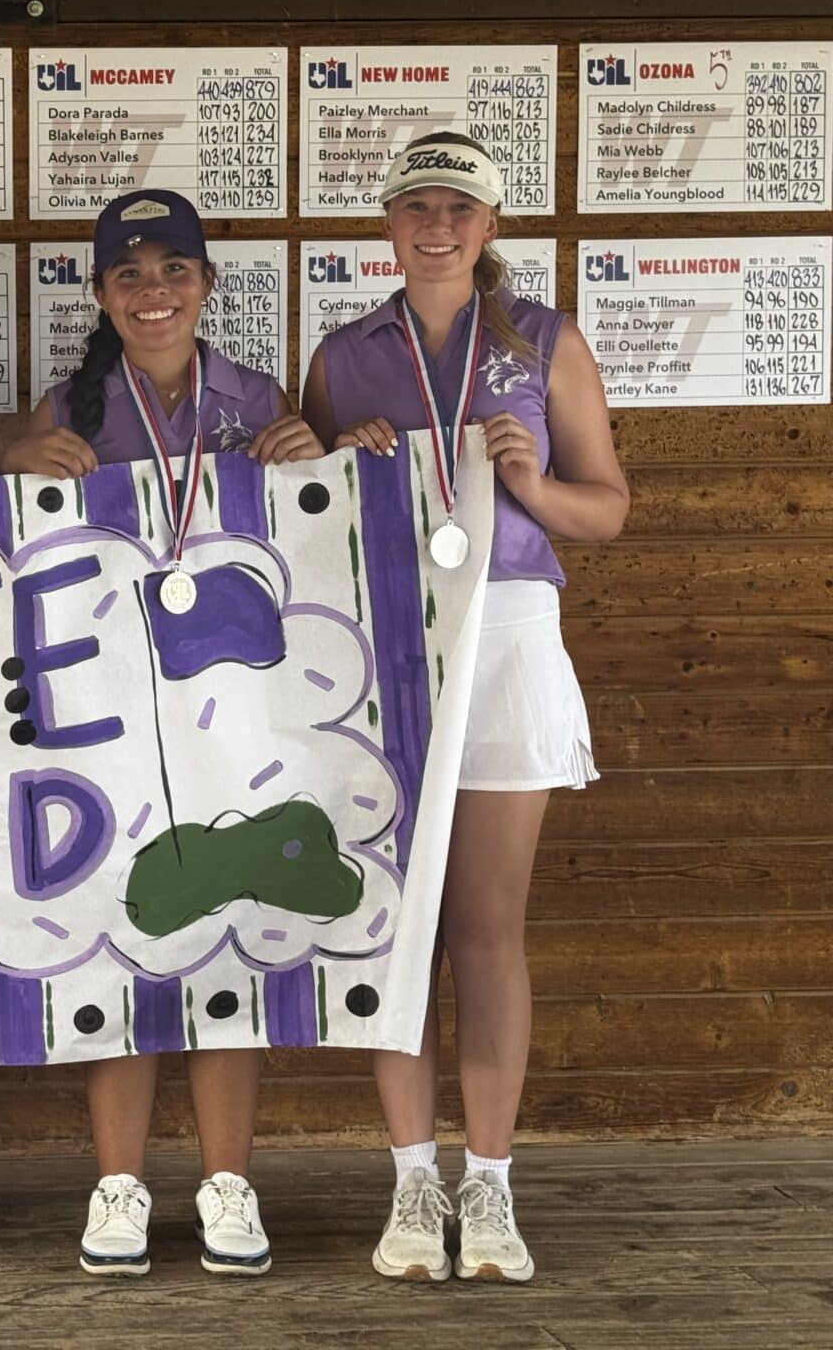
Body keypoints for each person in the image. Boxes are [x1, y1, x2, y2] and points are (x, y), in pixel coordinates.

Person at [302, 133, 628, 1284]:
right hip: (387, 647)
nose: (433, 224)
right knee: (395, 929)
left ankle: (486, 1187)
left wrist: (533, 487)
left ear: (489, 228)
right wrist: (339, 463)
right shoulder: (343, 355)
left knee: (486, 936)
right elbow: (306, 522)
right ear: (386, 223)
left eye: (457, 207)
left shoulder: (542, 340)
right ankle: (409, 1182)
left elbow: (606, 514)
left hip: (502, 637)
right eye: (413, 206)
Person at [1, 189, 323, 1279]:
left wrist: (308, 459)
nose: (152, 291)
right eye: (128, 274)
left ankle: (227, 1182)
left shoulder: (254, 397)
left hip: (234, 708)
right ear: (98, 294)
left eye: (172, 269)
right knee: (122, 935)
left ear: (206, 284)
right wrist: (19, 467)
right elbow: (22, 549)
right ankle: (119, 1184)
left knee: (227, 927)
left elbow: (305, 536)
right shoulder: (66, 403)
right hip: (112, 717)